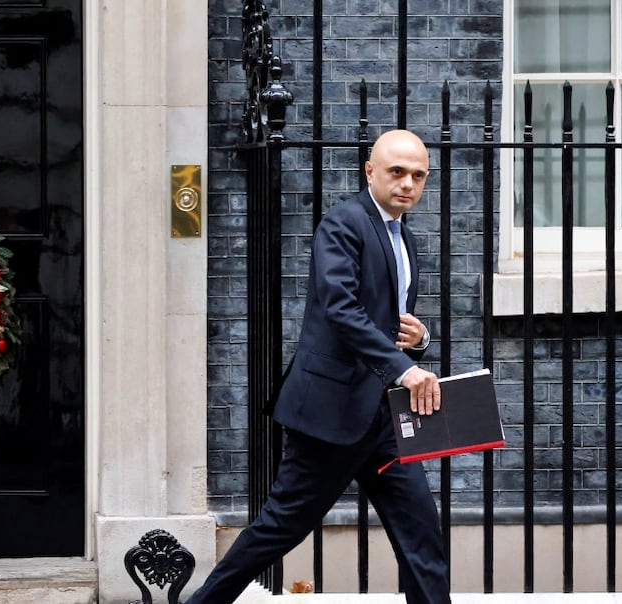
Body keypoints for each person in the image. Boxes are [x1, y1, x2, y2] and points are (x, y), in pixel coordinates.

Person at [186, 129, 450, 603]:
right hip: (331, 413)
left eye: (418, 176)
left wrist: (420, 340)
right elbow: (341, 309)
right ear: (370, 171)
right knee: (281, 526)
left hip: (384, 419)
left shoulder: (405, 238)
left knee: (421, 536)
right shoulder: (343, 224)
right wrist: (404, 369)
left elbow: (389, 321)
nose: (408, 183)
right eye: (397, 172)